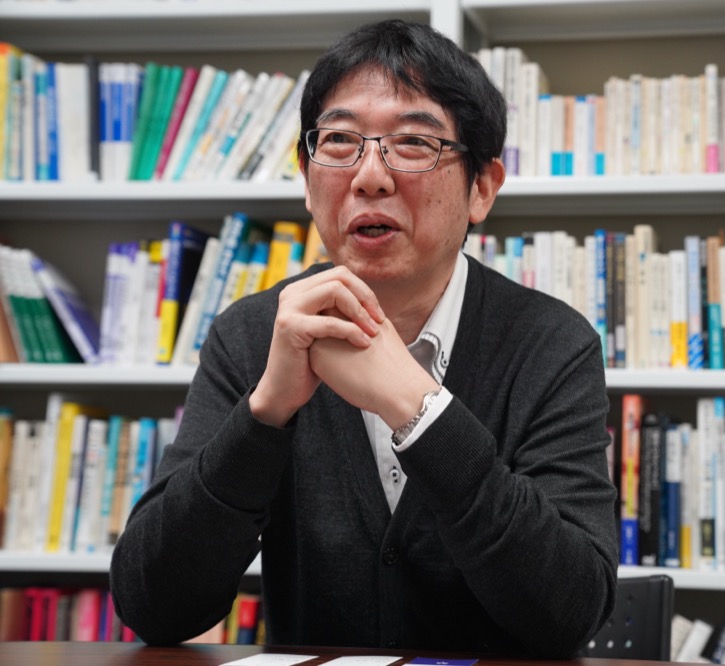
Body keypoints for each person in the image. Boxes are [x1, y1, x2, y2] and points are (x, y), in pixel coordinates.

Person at [110, 18, 618, 658]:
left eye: (413, 143)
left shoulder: (552, 343)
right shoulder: (253, 334)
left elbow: (570, 610)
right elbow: (153, 606)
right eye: (340, 141)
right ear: (307, 176)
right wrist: (265, 414)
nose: (369, 176)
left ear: (483, 187)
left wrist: (417, 408)